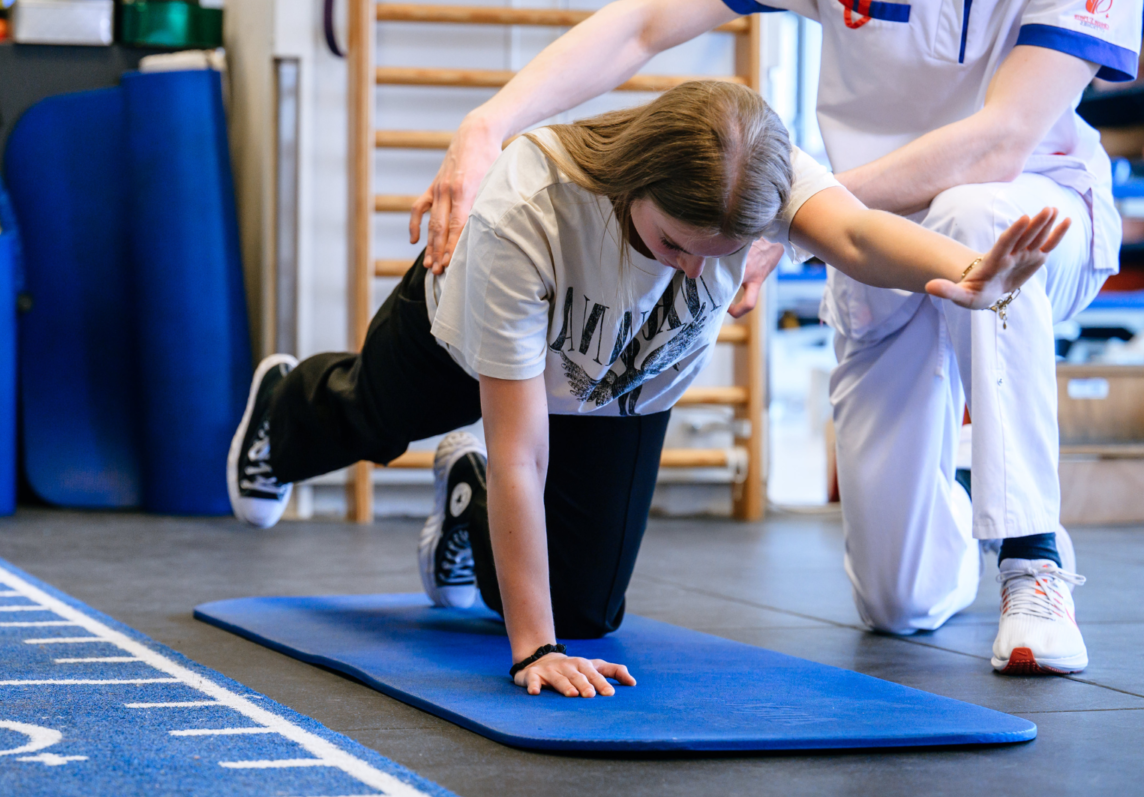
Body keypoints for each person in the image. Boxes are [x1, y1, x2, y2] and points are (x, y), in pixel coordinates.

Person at [406, 0, 1143, 676]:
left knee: (973, 213)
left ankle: (1031, 561)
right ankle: (960, 519)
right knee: (901, 604)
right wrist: (490, 120)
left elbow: (1000, 142)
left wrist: (793, 218)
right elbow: (647, 24)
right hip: (867, 256)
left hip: (1032, 232)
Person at [228, 82, 1067, 697]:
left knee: (587, 617)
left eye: (719, 252)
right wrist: (529, 652)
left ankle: (464, 502)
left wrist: (967, 271)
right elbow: (520, 454)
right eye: (675, 245)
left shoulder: (755, 164)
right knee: (372, 419)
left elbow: (851, 231)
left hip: (614, 386)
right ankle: (283, 407)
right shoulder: (531, 208)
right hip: (461, 340)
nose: (699, 274)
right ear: (635, 182)